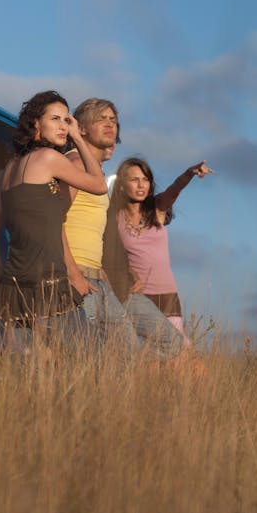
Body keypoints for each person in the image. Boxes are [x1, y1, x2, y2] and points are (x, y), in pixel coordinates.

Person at [0, 90, 106, 349]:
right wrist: (78, 139)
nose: (63, 126)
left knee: (32, 372)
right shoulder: (49, 159)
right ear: (36, 123)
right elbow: (99, 184)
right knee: (89, 365)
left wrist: (0, 277)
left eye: (66, 121)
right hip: (50, 285)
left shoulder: (7, 171)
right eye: (56, 119)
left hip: (15, 289)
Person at [64, 98, 183, 358]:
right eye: (101, 118)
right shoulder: (73, 165)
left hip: (100, 279)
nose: (110, 124)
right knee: (109, 356)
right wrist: (74, 272)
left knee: (144, 350)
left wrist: (114, 269)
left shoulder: (94, 172)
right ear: (80, 129)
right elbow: (53, 221)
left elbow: (100, 232)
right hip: (79, 277)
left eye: (113, 120)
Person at [107, 157, 213, 342]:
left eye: (145, 179)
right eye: (134, 180)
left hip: (167, 295)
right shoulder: (115, 218)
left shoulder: (157, 209)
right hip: (135, 297)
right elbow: (109, 254)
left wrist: (190, 173)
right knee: (147, 356)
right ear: (122, 185)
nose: (141, 185)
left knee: (180, 353)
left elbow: (174, 189)